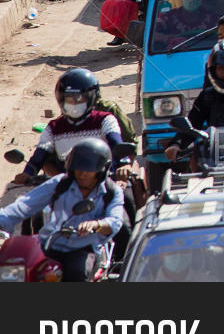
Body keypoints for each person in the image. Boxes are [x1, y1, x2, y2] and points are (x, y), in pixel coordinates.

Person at [0, 138, 126, 281]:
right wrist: (2, 219)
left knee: (76, 273)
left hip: (83, 248)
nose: (82, 174)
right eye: (78, 168)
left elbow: (115, 221)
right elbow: (25, 205)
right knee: (17, 266)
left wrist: (96, 225)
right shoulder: (60, 183)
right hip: (49, 242)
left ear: (102, 170)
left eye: (88, 170)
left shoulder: (112, 192)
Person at [12, 69, 135, 188]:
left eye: (80, 99)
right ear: (61, 99)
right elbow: (40, 155)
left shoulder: (105, 119)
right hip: (67, 188)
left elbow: (115, 142)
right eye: (69, 99)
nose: (74, 104)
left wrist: (124, 164)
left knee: (124, 201)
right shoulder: (53, 127)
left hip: (103, 184)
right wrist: (28, 173)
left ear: (92, 97)